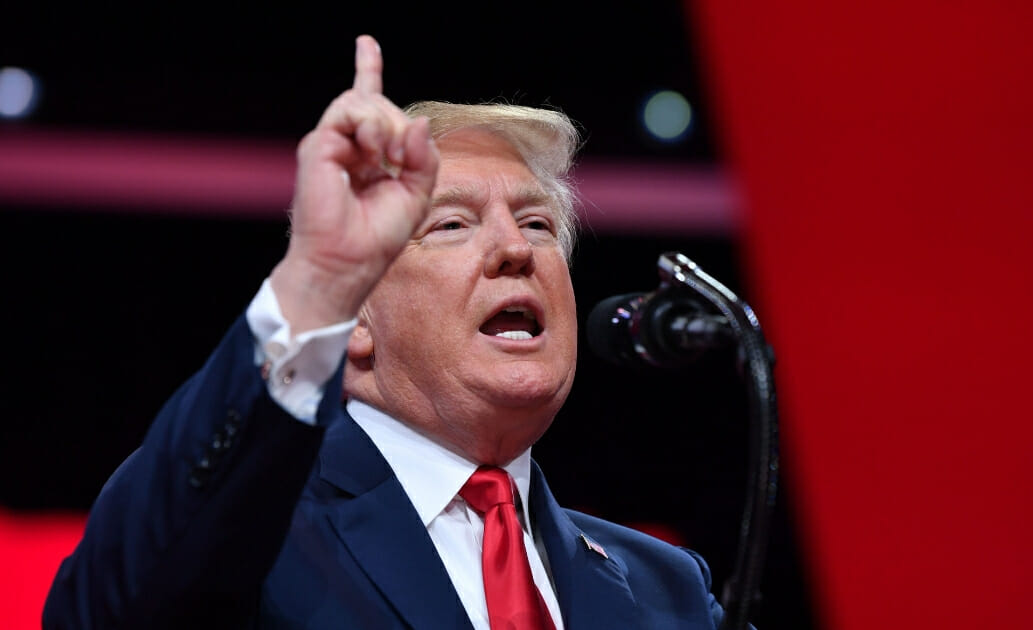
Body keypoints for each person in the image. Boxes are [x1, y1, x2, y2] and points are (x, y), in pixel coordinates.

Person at [43, 35, 732, 629]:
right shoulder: (252, 529)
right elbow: (109, 605)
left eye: (537, 225)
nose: (515, 251)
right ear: (357, 317)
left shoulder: (665, 591)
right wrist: (315, 282)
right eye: (452, 225)